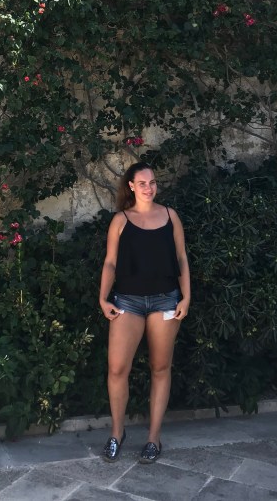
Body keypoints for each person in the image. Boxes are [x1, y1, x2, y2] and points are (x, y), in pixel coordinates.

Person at [98, 162, 190, 464]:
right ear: (131, 186)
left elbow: (181, 258)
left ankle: (153, 438)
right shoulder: (120, 220)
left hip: (166, 301)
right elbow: (110, 262)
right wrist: (103, 298)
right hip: (128, 301)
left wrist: (186, 297)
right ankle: (116, 433)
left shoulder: (170, 216)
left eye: (152, 182)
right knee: (116, 369)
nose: (149, 188)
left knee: (160, 368)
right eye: (142, 183)